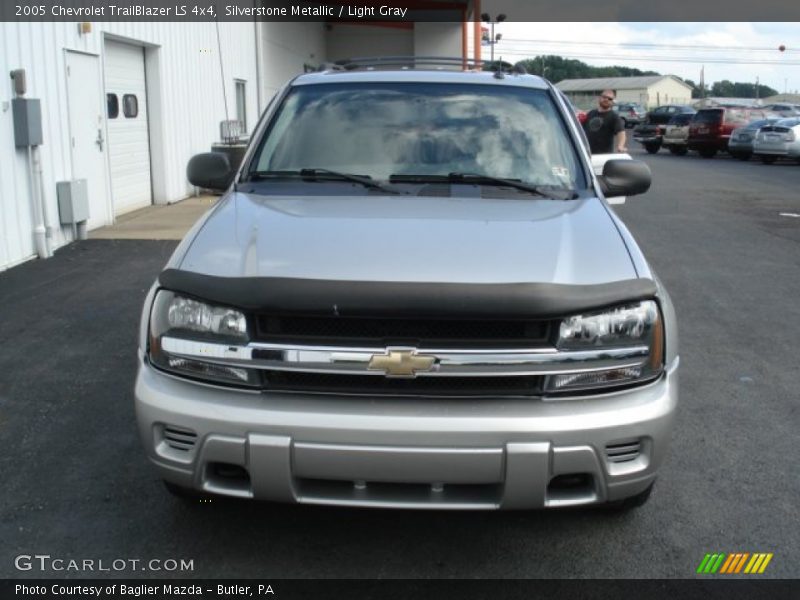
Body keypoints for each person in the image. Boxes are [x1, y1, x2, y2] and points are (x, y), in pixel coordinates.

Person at [582, 89, 627, 154]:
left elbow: (621, 133)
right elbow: (581, 130)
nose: (606, 100)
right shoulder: (591, 113)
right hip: (586, 153)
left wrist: (620, 146)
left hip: (604, 155)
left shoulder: (614, 116)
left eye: (610, 99)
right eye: (604, 97)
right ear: (599, 98)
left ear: (612, 102)